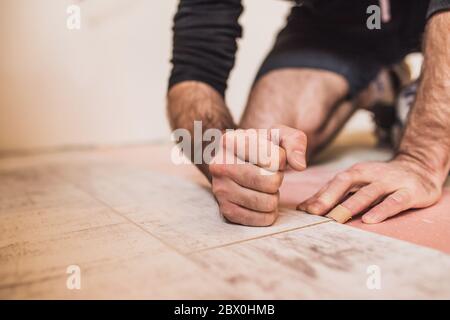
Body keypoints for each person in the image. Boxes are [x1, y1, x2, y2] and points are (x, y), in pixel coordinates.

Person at [167, 0, 450, 226]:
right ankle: (381, 83)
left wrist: (421, 158)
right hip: (335, 25)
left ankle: (421, 91)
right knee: (264, 147)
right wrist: (221, 155)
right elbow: (194, 73)